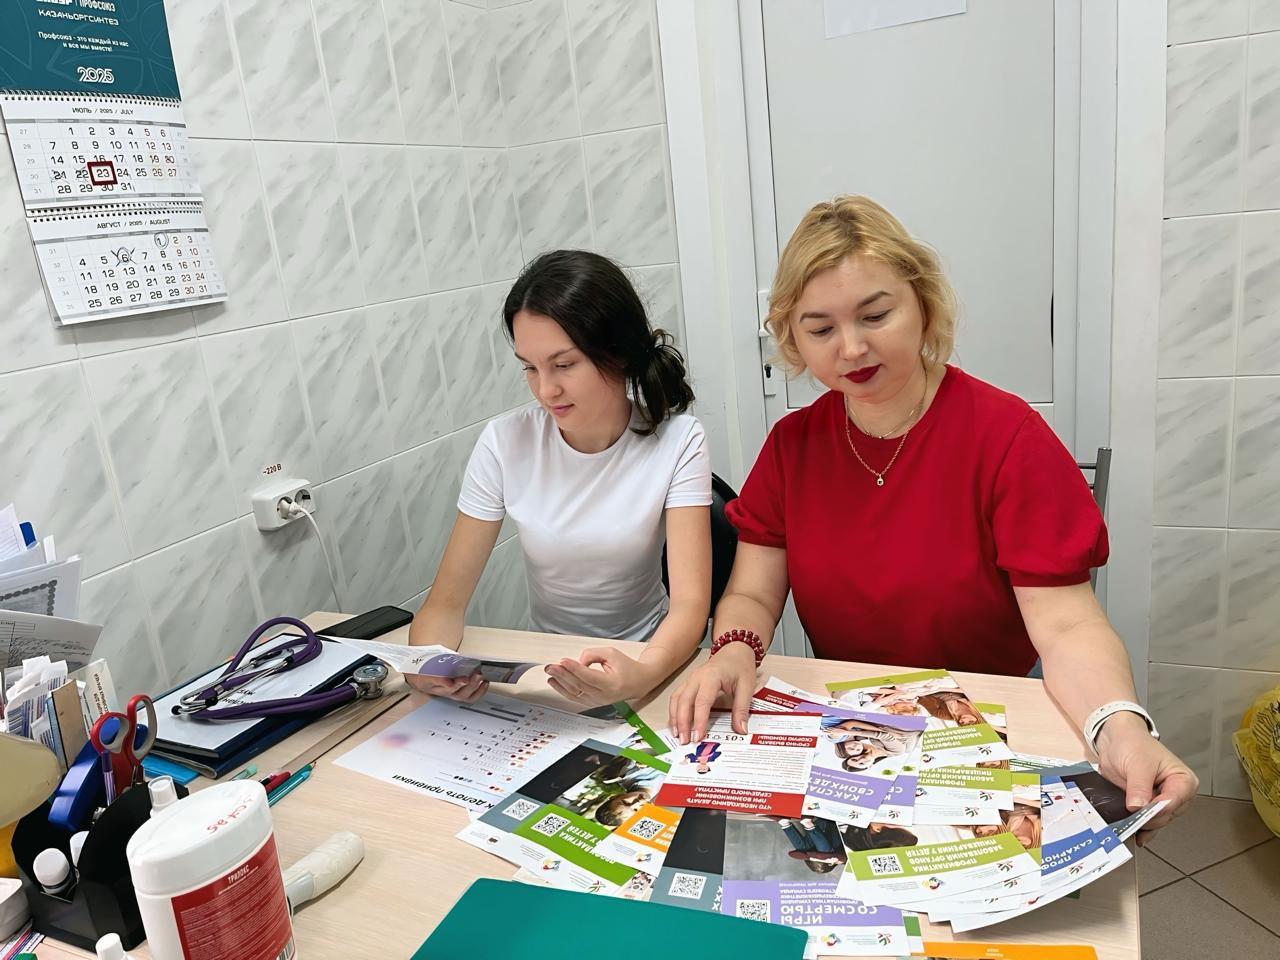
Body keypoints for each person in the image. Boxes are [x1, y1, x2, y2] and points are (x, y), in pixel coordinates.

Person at [668, 196, 1197, 844]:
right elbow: (752, 593)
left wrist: (1118, 725)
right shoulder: (792, 446)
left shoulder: (1007, 436)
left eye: (875, 315)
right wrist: (732, 652)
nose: (852, 347)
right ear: (793, 339)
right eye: (821, 328)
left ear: (922, 303)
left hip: (989, 716)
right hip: (859, 722)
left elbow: (1067, 625)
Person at [406, 250, 713, 708]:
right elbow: (445, 604)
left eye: (564, 365)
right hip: (549, 667)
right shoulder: (506, 442)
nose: (546, 390)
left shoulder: (678, 440)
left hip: (649, 658)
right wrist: (426, 665)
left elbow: (690, 606)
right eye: (530, 368)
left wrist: (642, 674)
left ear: (618, 354)